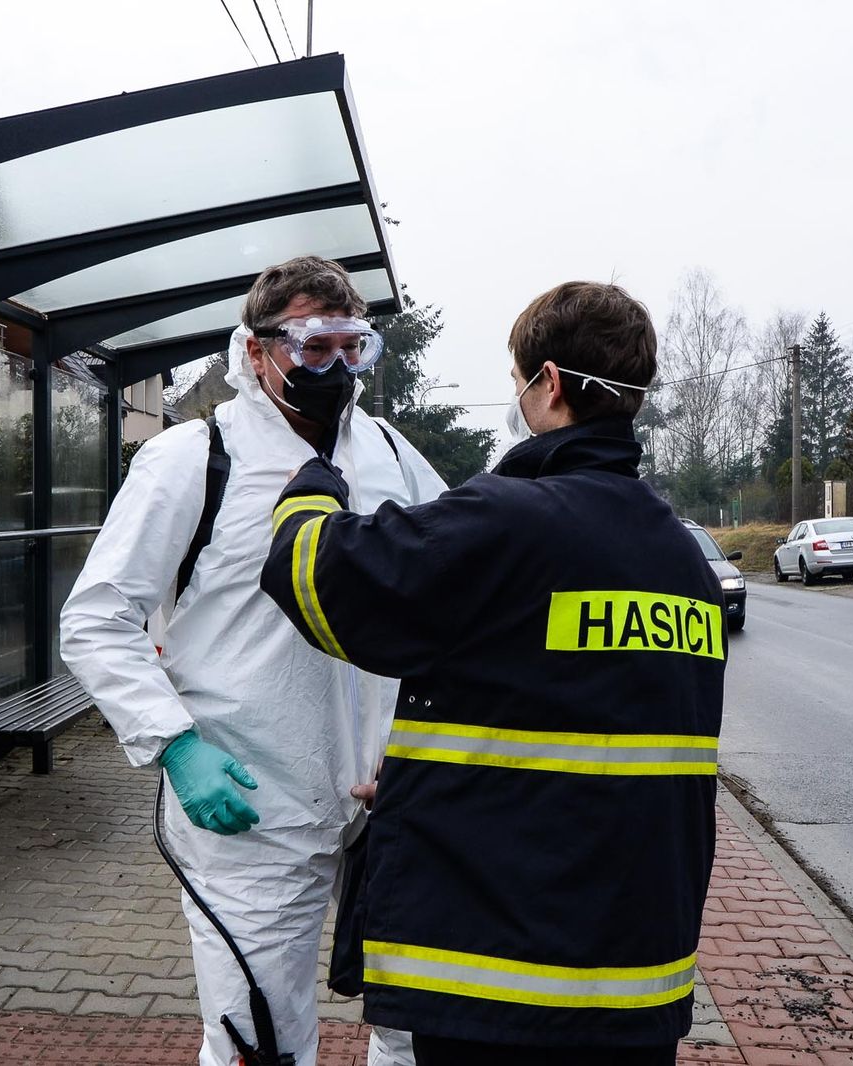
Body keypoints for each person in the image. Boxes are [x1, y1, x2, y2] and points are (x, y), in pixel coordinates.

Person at [258, 281, 726, 1065]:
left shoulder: (510, 518)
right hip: (637, 978)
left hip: (499, 977)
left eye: (517, 381)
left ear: (549, 383)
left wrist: (311, 487)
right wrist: (427, 775)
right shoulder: (681, 558)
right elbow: (568, 708)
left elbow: (318, 574)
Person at [60, 256, 444, 1066]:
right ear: (258, 349)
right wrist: (175, 745)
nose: (335, 368)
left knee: (421, 1031)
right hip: (249, 802)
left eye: (351, 347)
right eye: (312, 347)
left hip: (387, 801)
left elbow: (456, 592)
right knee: (259, 1040)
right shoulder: (195, 457)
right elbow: (97, 618)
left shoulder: (390, 455)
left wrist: (432, 748)